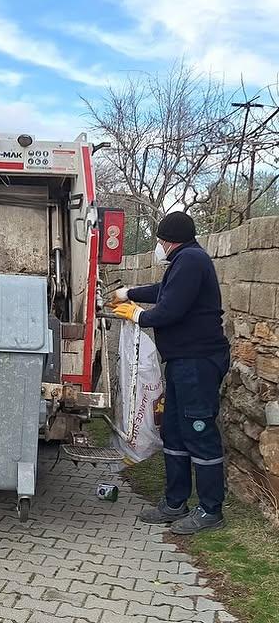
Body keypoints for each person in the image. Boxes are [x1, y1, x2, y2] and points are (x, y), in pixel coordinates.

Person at [112, 212, 230, 534]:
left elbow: (170, 310)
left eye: (161, 240)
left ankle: (211, 510)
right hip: (181, 362)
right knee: (175, 432)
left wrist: (137, 315)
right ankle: (175, 502)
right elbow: (163, 290)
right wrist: (130, 293)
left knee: (199, 431)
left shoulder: (191, 260)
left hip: (198, 362)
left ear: (170, 240)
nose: (159, 246)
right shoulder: (184, 262)